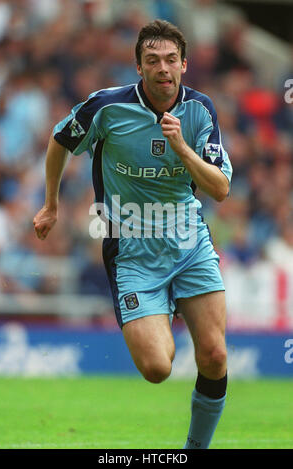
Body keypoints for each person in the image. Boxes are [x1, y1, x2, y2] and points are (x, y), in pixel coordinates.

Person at [33, 19, 232, 449]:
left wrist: (182, 150)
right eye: (152, 60)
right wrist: (50, 204)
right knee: (158, 368)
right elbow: (59, 140)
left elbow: (220, 188)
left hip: (189, 243)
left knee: (215, 356)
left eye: (170, 60)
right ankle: (163, 308)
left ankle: (194, 450)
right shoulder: (107, 107)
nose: (163, 68)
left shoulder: (200, 111)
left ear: (184, 64)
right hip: (133, 251)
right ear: (138, 67)